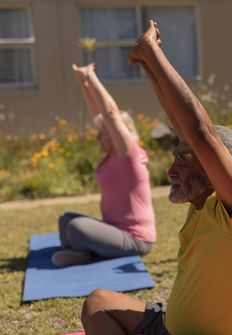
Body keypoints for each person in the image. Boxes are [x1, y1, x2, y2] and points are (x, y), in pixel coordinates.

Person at [80, 20, 232, 335]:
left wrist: (154, 54)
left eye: (183, 160)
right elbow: (184, 125)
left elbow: (200, 131)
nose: (171, 170)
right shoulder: (201, 203)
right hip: (175, 326)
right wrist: (147, 65)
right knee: (97, 303)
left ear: (216, 168)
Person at [51, 64, 156, 267]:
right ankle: (76, 251)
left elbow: (109, 113)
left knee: (76, 227)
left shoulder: (129, 154)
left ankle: (79, 252)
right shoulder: (112, 155)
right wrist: (83, 81)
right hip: (114, 228)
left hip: (135, 239)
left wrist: (92, 75)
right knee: (66, 219)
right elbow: (99, 114)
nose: (97, 136)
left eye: (102, 133)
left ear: (116, 133)